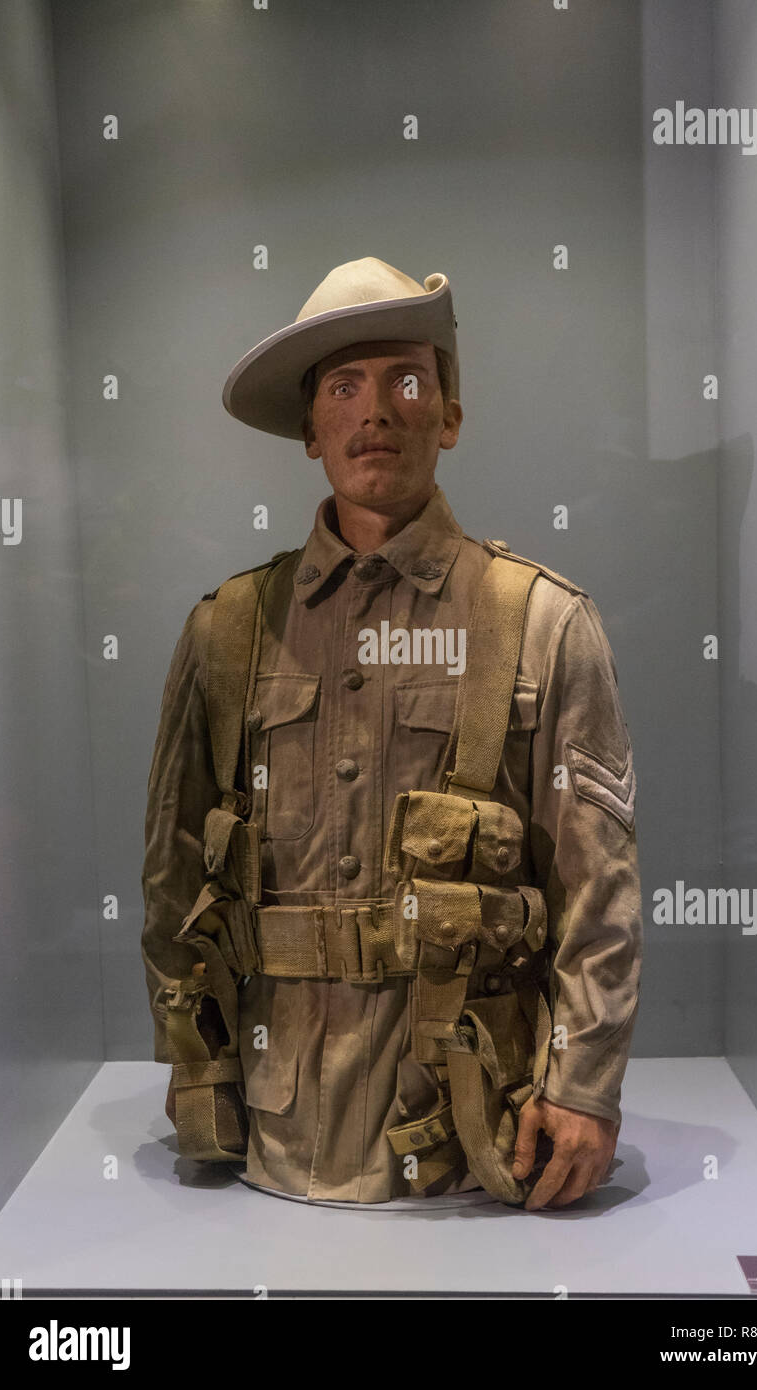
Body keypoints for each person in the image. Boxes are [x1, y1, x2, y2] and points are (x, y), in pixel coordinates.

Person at [141, 257, 642, 1210]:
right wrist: (194, 1064)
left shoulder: (542, 624)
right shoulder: (227, 633)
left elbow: (596, 892)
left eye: (406, 380)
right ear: (311, 428)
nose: (375, 410)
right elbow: (172, 882)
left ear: (448, 416)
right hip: (267, 1141)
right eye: (344, 386)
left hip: (477, 1147)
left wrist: (583, 1086)